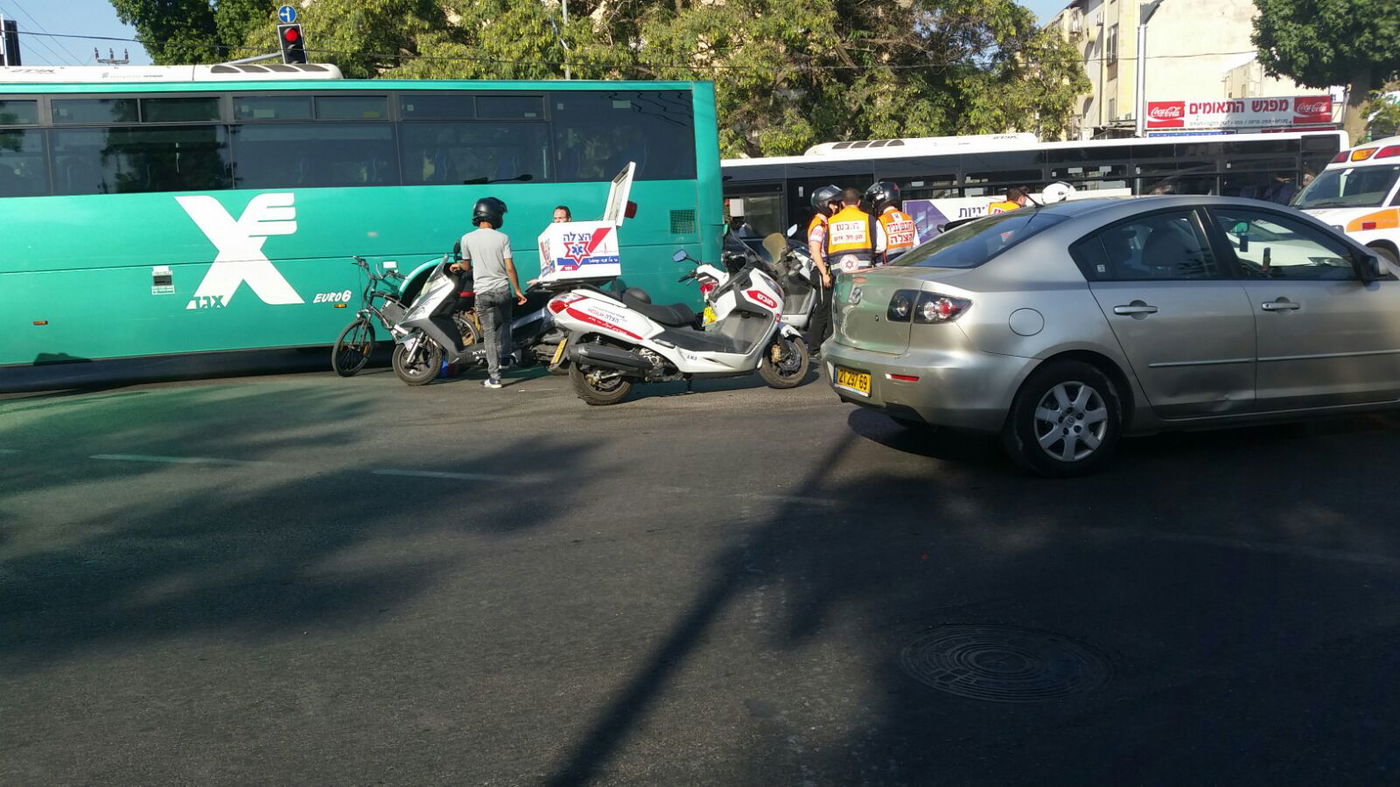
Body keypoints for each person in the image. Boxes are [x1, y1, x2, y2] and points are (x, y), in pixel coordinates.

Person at [451, 197, 527, 389]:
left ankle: (494, 377)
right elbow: (510, 268)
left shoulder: (467, 239)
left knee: (489, 334)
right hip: (502, 291)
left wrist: (457, 266)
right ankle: (505, 359)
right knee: (507, 322)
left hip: (483, 294)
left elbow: (466, 266)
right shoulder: (503, 238)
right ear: (494, 215)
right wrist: (517, 290)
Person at [804, 185, 841, 354]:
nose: (835, 207)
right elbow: (814, 250)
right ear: (823, 203)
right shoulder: (819, 224)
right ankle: (813, 347)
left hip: (825, 269)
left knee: (828, 308)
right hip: (821, 270)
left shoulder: (826, 223)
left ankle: (825, 343)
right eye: (832, 203)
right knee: (822, 309)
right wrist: (824, 273)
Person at [825, 187, 885, 275]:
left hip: (838, 270)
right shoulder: (868, 218)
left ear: (843, 203)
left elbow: (826, 246)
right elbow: (874, 243)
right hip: (863, 267)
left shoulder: (831, 221)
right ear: (859, 202)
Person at [865, 181, 919, 264]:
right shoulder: (908, 218)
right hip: (908, 263)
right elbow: (916, 244)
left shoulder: (882, 221)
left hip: (890, 265)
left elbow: (880, 247)